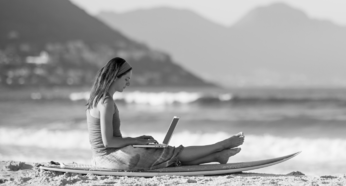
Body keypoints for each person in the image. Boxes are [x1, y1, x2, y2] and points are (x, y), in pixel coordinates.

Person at [86, 57, 244, 170]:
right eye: (126, 79)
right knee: (170, 153)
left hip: (105, 158)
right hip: (109, 160)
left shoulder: (98, 99)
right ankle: (220, 146)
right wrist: (136, 140)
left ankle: (216, 156)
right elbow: (108, 142)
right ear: (115, 77)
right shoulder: (106, 102)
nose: (129, 83)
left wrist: (136, 141)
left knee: (166, 155)